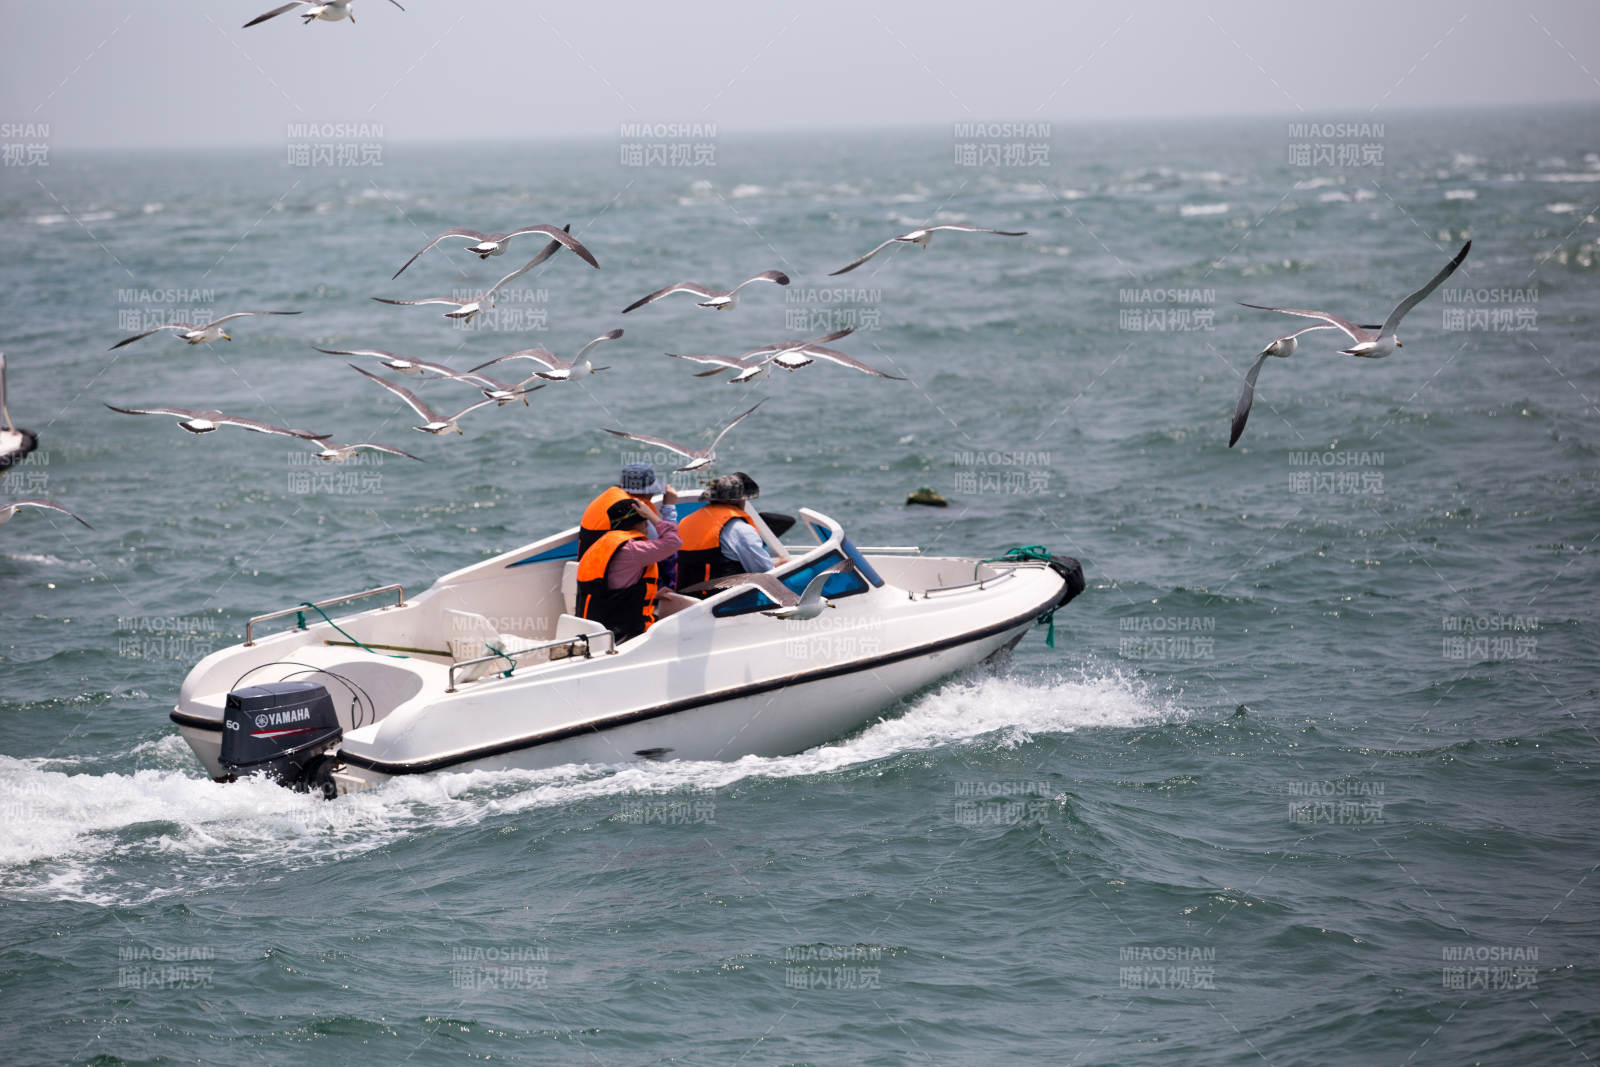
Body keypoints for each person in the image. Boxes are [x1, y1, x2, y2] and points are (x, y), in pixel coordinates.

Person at [575, 497, 681, 643]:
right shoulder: (632, 550)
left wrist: (653, 595)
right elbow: (674, 542)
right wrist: (652, 515)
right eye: (646, 522)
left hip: (599, 628)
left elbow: (610, 591)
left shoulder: (601, 545)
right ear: (640, 522)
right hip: (625, 634)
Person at [677, 472, 781, 591]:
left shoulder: (685, 522)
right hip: (722, 602)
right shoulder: (740, 530)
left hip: (685, 597)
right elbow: (764, 572)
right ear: (740, 501)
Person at [579, 462, 678, 587]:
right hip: (620, 580)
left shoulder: (608, 499)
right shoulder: (634, 509)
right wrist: (669, 506)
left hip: (591, 574)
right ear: (648, 491)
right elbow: (669, 545)